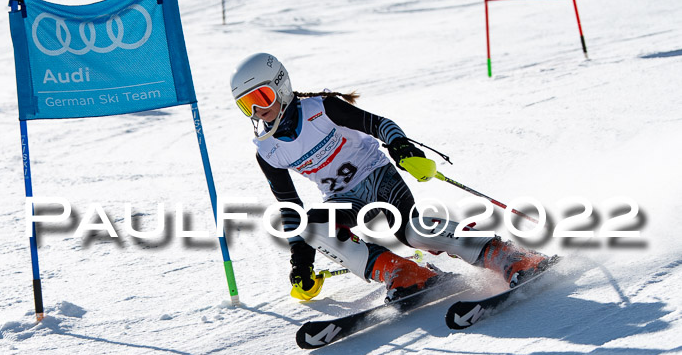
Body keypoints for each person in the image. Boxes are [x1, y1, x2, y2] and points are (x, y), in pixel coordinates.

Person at [230, 53, 549, 301]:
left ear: (280, 86)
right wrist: (301, 263)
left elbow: (381, 124)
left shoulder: (321, 109)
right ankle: (403, 272)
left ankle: (509, 256)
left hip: (378, 177)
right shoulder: (268, 151)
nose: (258, 111)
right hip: (345, 201)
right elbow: (290, 210)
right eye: (247, 106)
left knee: (411, 233)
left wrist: (401, 148)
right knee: (311, 224)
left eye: (262, 98)